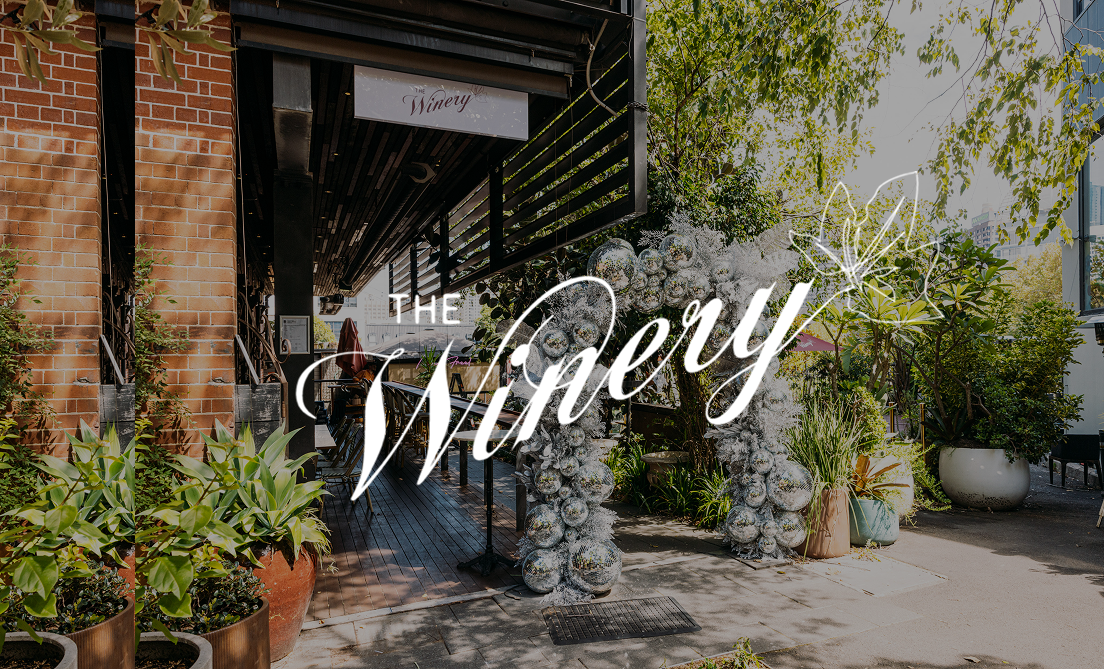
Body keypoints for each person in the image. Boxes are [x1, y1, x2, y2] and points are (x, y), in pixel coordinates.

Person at [329, 318, 375, 428]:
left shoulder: (370, 374)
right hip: (362, 391)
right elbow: (356, 378)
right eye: (374, 365)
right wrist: (360, 383)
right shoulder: (364, 372)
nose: (375, 367)